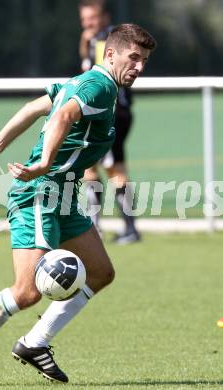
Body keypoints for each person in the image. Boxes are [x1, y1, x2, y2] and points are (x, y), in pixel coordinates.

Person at [0, 24, 156, 387]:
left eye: (144, 60)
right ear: (111, 54)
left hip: (63, 195)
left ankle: (35, 343)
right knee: (27, 291)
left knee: (100, 272)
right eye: (134, 58)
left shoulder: (89, 82)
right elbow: (63, 117)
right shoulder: (98, 86)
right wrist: (43, 164)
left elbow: (33, 108)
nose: (140, 67)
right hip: (41, 193)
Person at [79, 0, 139, 244]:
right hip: (105, 113)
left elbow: (106, 77)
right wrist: (84, 43)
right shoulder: (93, 39)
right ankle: (97, 228)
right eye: (84, 20)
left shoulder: (108, 40)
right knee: (90, 167)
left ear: (104, 17)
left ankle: (130, 229)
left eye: (91, 18)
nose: (87, 24)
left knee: (114, 169)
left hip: (111, 113)